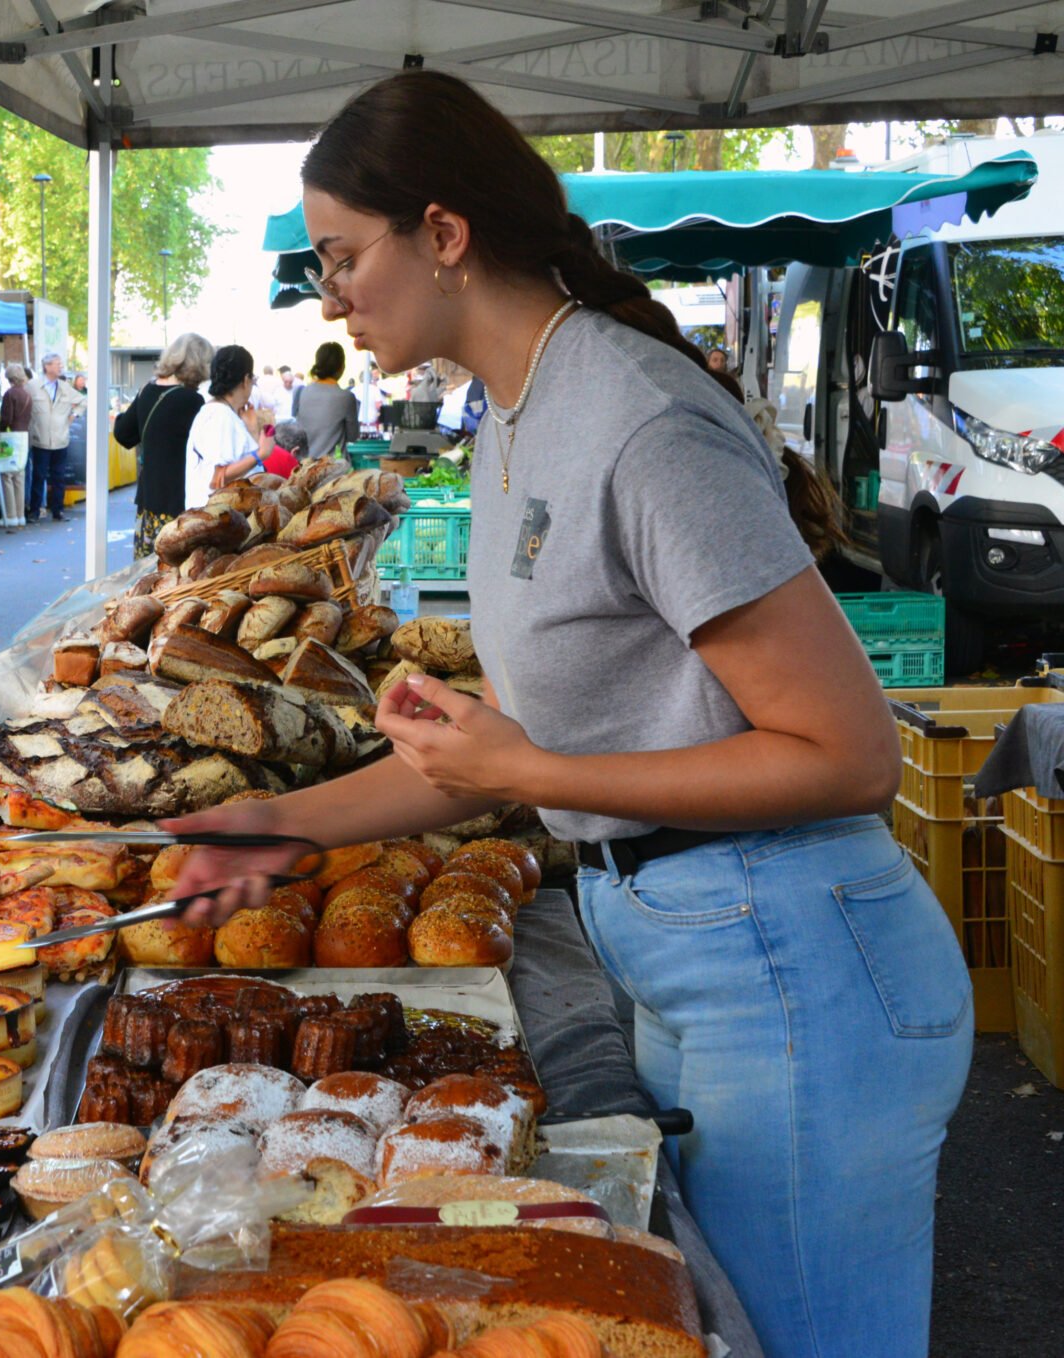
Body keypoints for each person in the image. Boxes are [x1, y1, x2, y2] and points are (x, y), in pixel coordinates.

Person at [165, 71, 967, 1358]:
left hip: (799, 965)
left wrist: (528, 755)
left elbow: (848, 752)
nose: (330, 300)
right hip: (697, 957)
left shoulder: (640, 420)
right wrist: (270, 825)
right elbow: (487, 763)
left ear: (443, 232)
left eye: (343, 257)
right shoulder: (511, 420)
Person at [116, 332, 212, 558]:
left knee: (148, 574)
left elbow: (123, 434)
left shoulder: (147, 391)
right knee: (176, 575)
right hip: (178, 503)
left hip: (148, 501)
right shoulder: (191, 400)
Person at [182, 345, 262, 510]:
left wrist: (253, 430)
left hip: (221, 518)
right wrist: (260, 454)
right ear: (246, 380)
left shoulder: (223, 413)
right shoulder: (220, 416)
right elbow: (217, 477)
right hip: (215, 520)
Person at [27, 353, 83, 522]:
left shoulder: (64, 386)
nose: (61, 367)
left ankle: (58, 511)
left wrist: (74, 416)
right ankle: (34, 511)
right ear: (47, 367)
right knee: (39, 476)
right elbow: (25, 405)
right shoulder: (33, 386)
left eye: (61, 363)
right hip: (40, 439)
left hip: (60, 438)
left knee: (59, 478)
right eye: (58, 364)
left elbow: (83, 401)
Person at [296, 340, 359, 459]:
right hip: (333, 469)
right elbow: (353, 436)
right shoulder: (346, 397)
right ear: (341, 367)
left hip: (305, 465)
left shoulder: (303, 392)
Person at [0, 362, 33, 530]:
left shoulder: (10, 395)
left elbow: (6, 419)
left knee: (7, 476)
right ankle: (20, 515)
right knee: (19, 475)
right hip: (24, 436)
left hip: (10, 437)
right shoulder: (27, 394)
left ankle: (10, 515)